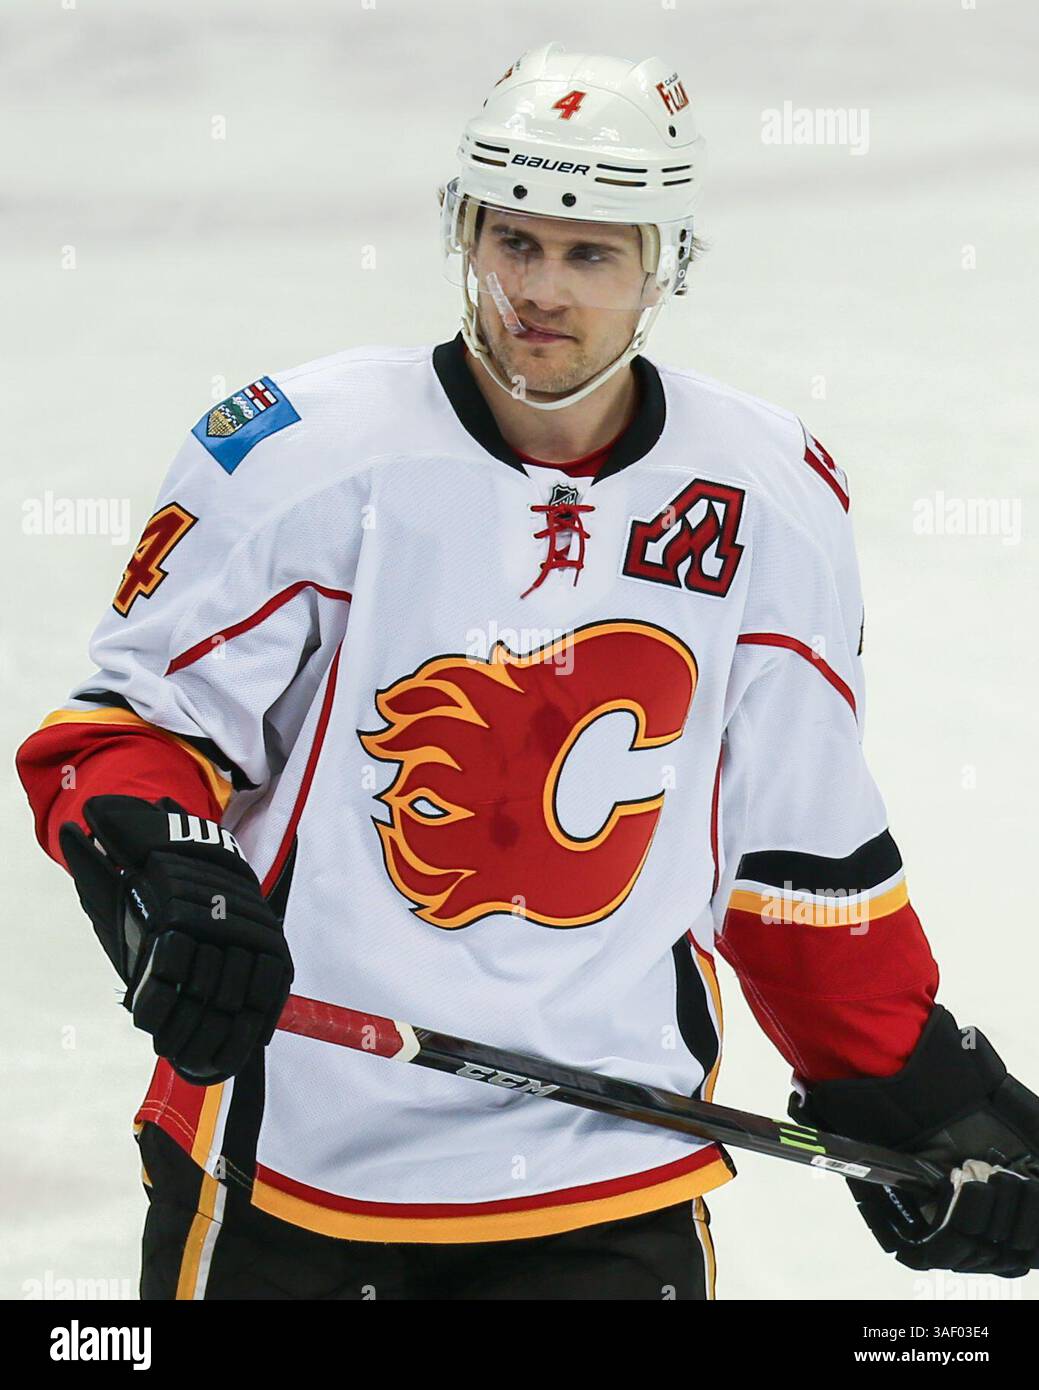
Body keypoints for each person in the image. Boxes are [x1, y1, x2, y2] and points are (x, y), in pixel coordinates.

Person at [16, 41, 1039, 1301]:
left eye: (589, 254)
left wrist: (913, 1088)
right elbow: (121, 738)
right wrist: (167, 881)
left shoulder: (768, 500)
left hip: (610, 1169)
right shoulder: (300, 460)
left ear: (664, 267)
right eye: (514, 243)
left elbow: (791, 854)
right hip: (291, 1148)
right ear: (464, 235)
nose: (536, 293)